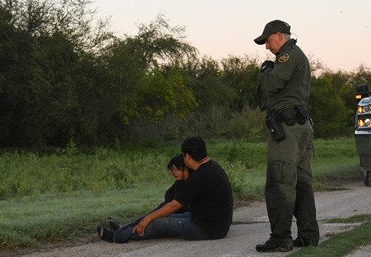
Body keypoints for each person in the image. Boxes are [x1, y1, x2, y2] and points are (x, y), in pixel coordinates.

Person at [253, 19, 319, 252]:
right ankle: (308, 236)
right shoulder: (296, 55)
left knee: (279, 181)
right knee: (301, 183)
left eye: (268, 41)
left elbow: (272, 84)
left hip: (287, 129)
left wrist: (265, 71)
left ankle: (280, 238)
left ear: (280, 36)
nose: (266, 47)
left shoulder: (288, 55)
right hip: (299, 126)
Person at [101, 136, 233, 243]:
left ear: (187, 156)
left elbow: (175, 205)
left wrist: (148, 218)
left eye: (183, 156)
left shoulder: (200, 175)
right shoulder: (212, 166)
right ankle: (122, 230)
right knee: (160, 215)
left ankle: (116, 237)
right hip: (208, 222)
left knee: (157, 222)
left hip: (207, 229)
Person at [97, 154, 191, 241]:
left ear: (181, 168)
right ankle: (122, 229)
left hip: (178, 213)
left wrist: (179, 180)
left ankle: (117, 236)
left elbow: (177, 201)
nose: (172, 173)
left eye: (174, 169)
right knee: (146, 218)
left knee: (152, 223)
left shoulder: (188, 183)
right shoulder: (182, 182)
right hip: (171, 209)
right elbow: (169, 196)